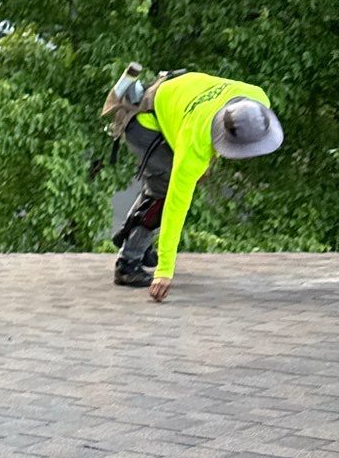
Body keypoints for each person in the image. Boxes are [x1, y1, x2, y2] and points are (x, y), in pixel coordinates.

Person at [111, 72, 283, 299]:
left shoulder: (257, 98)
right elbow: (176, 206)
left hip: (172, 100)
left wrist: (208, 162)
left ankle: (136, 239)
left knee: (161, 184)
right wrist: (165, 270)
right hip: (143, 120)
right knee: (163, 192)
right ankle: (128, 262)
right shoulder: (194, 145)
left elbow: (218, 126)